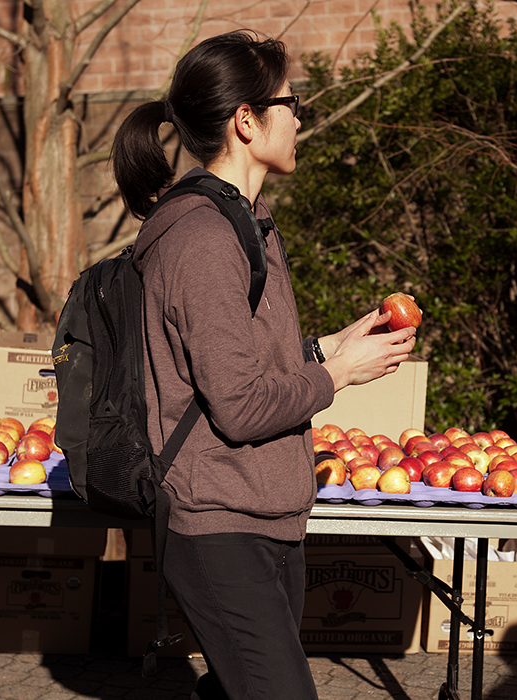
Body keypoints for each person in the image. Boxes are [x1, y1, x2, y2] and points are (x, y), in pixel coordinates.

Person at [110, 30, 416, 700]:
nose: (301, 117)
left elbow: (232, 366)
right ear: (246, 121)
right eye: (291, 101)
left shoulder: (248, 225)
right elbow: (241, 406)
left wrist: (326, 349)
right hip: (220, 524)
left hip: (267, 518)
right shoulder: (202, 239)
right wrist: (340, 375)